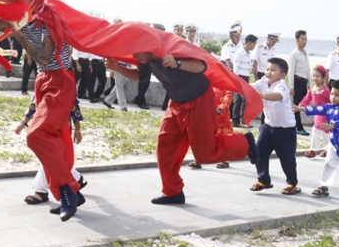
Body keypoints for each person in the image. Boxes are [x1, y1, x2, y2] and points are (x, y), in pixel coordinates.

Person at [106, 51, 258, 205]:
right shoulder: (146, 60)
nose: (135, 56)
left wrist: (177, 63)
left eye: (137, 51)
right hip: (176, 104)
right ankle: (173, 193)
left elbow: (202, 65)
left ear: (147, 46)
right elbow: (141, 77)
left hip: (199, 100)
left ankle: (245, 141)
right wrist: (118, 67)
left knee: (204, 155)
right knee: (165, 149)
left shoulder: (169, 49)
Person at [12, 17, 80, 222]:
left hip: (58, 78)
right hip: (44, 79)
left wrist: (19, 36)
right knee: (53, 145)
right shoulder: (24, 21)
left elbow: (43, 58)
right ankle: (72, 193)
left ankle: (69, 192)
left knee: (37, 136)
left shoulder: (48, 20)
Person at [17, 97, 88, 212]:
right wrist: (24, 123)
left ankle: (42, 191)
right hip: (44, 127)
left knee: (53, 159)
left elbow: (75, 109)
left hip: (60, 129)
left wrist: (78, 130)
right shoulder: (43, 82)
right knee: (51, 159)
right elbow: (35, 105)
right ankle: (76, 178)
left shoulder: (64, 85)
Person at [249, 57, 300, 195]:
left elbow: (277, 96)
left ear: (282, 75)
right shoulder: (263, 82)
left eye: (273, 70)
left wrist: (263, 95)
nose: (268, 72)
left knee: (287, 158)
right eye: (267, 69)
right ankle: (263, 180)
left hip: (285, 130)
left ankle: (292, 183)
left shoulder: (282, 85)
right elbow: (249, 87)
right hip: (268, 127)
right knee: (259, 152)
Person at [188, 87, 234, 169]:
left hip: (221, 117)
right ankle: (198, 160)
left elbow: (227, 101)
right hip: (207, 114)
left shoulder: (227, 87)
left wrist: (220, 109)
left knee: (222, 138)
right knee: (203, 137)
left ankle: (224, 160)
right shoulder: (209, 85)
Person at [299, 65, 331, 159]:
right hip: (317, 114)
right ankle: (313, 150)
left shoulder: (326, 90)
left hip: (325, 115)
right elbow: (307, 99)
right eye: (313, 76)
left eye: (317, 76)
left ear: (323, 78)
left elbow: (331, 102)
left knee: (325, 133)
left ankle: (328, 149)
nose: (314, 78)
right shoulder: (312, 89)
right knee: (315, 131)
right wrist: (301, 105)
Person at [232, 34, 258, 128]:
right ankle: (242, 121)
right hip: (240, 78)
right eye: (254, 44)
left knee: (240, 100)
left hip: (246, 77)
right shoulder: (240, 53)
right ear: (249, 43)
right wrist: (237, 81)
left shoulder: (248, 53)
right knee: (242, 99)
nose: (254, 46)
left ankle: (237, 120)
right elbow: (236, 69)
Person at [288, 30, 311, 136]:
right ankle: (299, 127)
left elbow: (308, 70)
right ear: (297, 40)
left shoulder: (305, 53)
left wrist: (310, 84)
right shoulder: (294, 54)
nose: (304, 41)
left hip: (304, 82)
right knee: (296, 106)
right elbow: (291, 71)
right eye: (302, 39)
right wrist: (291, 87)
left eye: (305, 39)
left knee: (302, 105)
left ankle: (295, 125)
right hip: (297, 81)